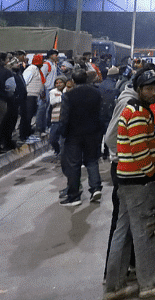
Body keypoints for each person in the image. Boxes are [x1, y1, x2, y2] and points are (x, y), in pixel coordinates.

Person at [104, 70, 155, 300]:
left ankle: (114, 286)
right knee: (144, 234)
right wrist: (150, 174)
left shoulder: (134, 109)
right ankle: (149, 284)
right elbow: (139, 149)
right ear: (138, 89)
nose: (154, 92)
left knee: (123, 232)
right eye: (148, 88)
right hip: (138, 181)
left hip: (126, 179)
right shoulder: (136, 112)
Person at [59, 70, 104, 207]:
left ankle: (74, 196)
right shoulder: (96, 93)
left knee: (74, 164)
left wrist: (63, 133)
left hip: (74, 134)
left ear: (72, 80)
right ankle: (95, 188)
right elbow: (101, 114)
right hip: (93, 133)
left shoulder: (68, 96)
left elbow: (64, 117)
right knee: (91, 160)